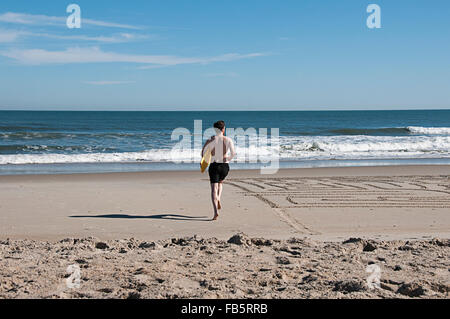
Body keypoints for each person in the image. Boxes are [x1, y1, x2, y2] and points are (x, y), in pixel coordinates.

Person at [201, 121, 236, 221]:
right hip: (225, 166)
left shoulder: (210, 139)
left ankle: (216, 212)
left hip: (214, 165)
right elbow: (233, 154)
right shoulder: (228, 140)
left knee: (213, 189)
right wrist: (227, 159)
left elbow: (202, 154)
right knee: (220, 183)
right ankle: (219, 198)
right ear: (223, 129)